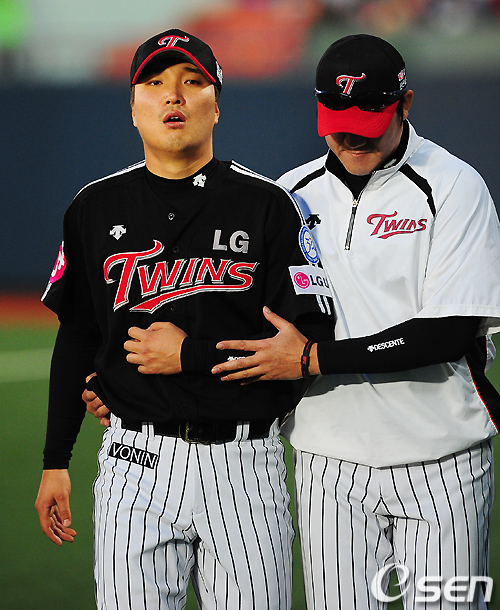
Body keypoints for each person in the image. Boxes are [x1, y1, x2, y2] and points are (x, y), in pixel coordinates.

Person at [34, 28, 333, 610]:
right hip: (134, 463)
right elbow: (77, 336)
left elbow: (307, 344)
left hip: (245, 464)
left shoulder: (268, 205)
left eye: (193, 82)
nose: (174, 95)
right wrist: (54, 462)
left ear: (216, 106)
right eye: (155, 83)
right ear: (132, 106)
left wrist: (189, 356)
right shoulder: (94, 206)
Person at [204, 34, 500, 609]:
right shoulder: (289, 195)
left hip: (442, 460)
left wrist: (312, 360)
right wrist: (121, 381)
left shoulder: (455, 186)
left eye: (369, 120)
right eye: (338, 122)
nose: (352, 136)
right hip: (328, 463)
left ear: (405, 104)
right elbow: (241, 320)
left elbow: (448, 332)